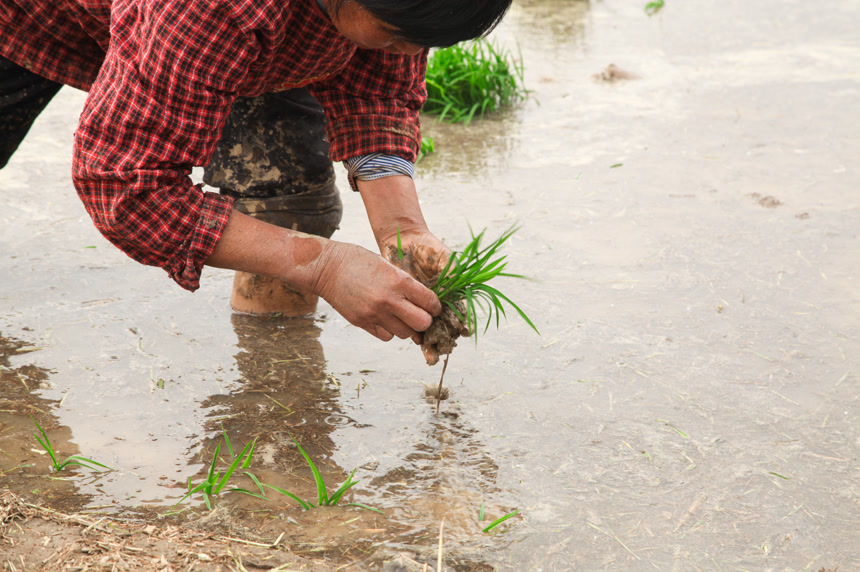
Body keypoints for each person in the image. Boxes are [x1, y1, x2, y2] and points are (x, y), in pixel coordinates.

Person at [0, 0, 512, 345]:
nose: (410, 53)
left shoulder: (374, 13)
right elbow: (126, 184)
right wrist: (325, 268)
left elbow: (374, 90)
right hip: (34, 15)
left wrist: (404, 229)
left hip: (252, 41)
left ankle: (272, 409)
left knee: (291, 202)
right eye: (400, 37)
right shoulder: (214, 9)